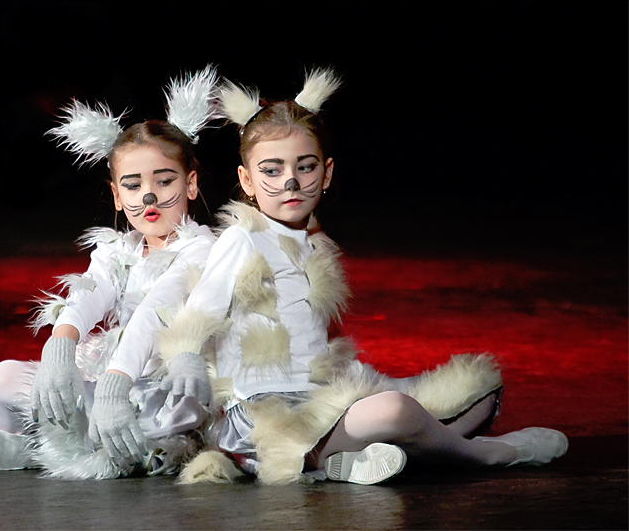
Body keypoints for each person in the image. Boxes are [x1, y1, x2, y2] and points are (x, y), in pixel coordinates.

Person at [151, 68, 568, 486]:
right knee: (395, 410)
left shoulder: (312, 245)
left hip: (322, 398)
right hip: (266, 418)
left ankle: (355, 457)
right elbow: (198, 311)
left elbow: (317, 346)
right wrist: (186, 359)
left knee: (477, 393)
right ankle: (483, 455)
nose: (291, 181)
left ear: (326, 174)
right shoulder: (242, 238)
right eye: (272, 171)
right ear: (247, 180)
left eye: (305, 167)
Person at [0, 66, 221, 480]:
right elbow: (89, 293)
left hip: (169, 393)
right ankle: (25, 441)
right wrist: (60, 348)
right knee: (0, 379)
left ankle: (70, 442)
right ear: (116, 195)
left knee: (171, 415)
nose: (148, 196)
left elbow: (156, 312)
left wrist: (115, 389)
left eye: (164, 181)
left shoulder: (203, 249)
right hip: (109, 384)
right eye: (133, 185)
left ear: (190, 184)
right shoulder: (116, 250)